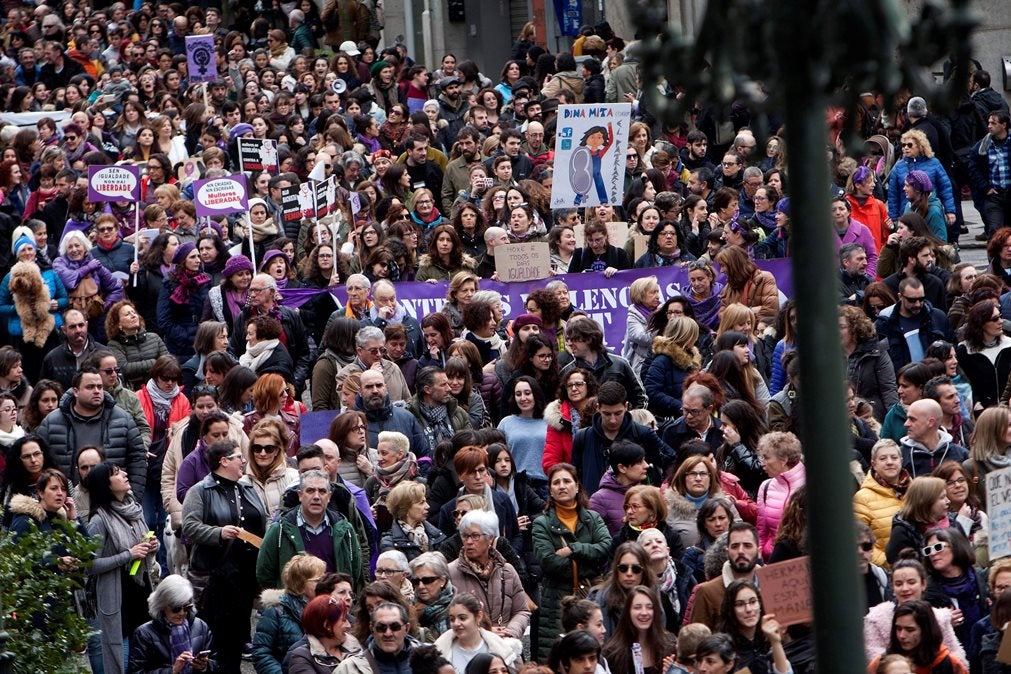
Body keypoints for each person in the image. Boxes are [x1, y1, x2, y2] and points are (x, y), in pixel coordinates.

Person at [181, 440, 268, 672]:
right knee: (215, 638)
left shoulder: (247, 488)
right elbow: (188, 527)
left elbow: (263, 522)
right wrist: (218, 533)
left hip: (246, 577)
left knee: (238, 637)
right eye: (239, 457)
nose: (244, 461)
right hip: (214, 579)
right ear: (224, 461)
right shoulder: (199, 491)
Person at [531, 462, 612, 662]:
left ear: (577, 486)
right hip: (556, 597)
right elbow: (549, 562)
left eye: (567, 481)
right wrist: (587, 561)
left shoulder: (592, 518)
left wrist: (573, 549)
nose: (562, 486)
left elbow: (605, 547)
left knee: (593, 653)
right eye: (556, 482)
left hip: (591, 593)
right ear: (550, 489)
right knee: (559, 657)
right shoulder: (542, 523)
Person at [84, 461, 158, 674]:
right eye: (117, 473)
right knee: (122, 662)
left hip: (141, 589)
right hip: (116, 596)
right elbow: (89, 565)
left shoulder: (134, 509)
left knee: (144, 658)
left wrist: (152, 545)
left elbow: (141, 541)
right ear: (105, 485)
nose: (125, 474)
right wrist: (128, 555)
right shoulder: (99, 520)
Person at [36, 366, 147, 496]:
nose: (96, 391)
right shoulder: (52, 422)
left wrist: (133, 496)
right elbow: (40, 463)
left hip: (113, 501)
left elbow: (137, 460)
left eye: (99, 387)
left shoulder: (123, 419)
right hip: (66, 502)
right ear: (75, 391)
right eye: (90, 387)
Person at [257, 468, 366, 591]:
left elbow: (355, 570)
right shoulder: (280, 529)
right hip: (294, 606)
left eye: (322, 491)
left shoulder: (345, 529)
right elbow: (264, 573)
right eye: (310, 490)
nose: (316, 496)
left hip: (333, 604)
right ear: (300, 495)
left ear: (329, 496)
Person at [571, 381, 674, 496]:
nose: (613, 420)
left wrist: (660, 489)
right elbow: (575, 475)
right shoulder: (583, 437)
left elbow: (671, 459)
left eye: (618, 413)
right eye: (607, 414)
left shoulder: (643, 434)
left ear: (626, 406)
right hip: (594, 506)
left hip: (638, 505)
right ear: (598, 408)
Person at [864, 558, 966, 665]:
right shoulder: (876, 618)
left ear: (923, 584)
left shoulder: (939, 617)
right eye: (898, 584)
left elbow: (955, 653)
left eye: (911, 582)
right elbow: (872, 654)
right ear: (892, 588)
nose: (905, 588)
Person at [230, 273, 311, 396]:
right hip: (254, 389)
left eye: (258, 291)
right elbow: (233, 352)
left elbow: (303, 354)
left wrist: (294, 383)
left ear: (272, 292)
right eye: (251, 290)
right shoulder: (244, 317)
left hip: (287, 388)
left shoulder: (290, 316)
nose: (252, 295)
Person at [251, 553, 327, 674]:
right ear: (300, 583)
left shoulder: (327, 608)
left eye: (324, 578)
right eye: (318, 580)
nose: (324, 583)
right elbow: (261, 653)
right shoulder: (276, 610)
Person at [127, 574, 216, 673]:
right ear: (162, 606)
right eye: (176, 609)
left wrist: (204, 666)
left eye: (187, 607)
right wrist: (172, 671)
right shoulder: (144, 634)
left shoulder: (201, 626)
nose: (182, 613)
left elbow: (216, 664)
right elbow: (135, 671)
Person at [685, 522, 761, 630]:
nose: (740, 551)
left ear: (759, 552)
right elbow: (697, 641)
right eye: (735, 546)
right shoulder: (707, 593)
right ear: (727, 552)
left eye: (747, 546)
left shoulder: (771, 588)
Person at [562, 316, 648, 409]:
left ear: (589, 339)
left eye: (574, 339)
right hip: (584, 423)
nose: (569, 344)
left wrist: (632, 420)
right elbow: (562, 405)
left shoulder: (620, 364)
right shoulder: (568, 371)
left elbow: (640, 397)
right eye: (568, 339)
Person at [867, 600, 968, 674]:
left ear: (925, 631)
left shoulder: (949, 665)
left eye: (910, 630)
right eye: (898, 629)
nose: (902, 636)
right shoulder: (880, 663)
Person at [854, 439, 911, 568]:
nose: (889, 462)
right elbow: (861, 543)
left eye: (894, 457)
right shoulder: (862, 498)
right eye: (883, 458)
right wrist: (890, 564)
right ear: (873, 464)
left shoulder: (915, 491)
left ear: (901, 461)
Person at [717, 580, 794, 674]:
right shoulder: (723, 646)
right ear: (731, 609)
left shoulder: (771, 637)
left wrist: (775, 642)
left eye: (753, 602)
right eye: (740, 604)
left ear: (760, 604)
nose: (748, 609)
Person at [886, 476, 961, 566]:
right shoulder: (903, 532)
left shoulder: (954, 522)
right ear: (926, 502)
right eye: (942, 497)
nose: (948, 501)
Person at [602, 585, 676, 674]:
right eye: (637, 607)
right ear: (628, 612)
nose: (644, 613)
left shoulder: (670, 646)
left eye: (649, 607)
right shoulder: (612, 653)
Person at [755, 431, 806, 559]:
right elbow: (761, 531)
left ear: (783, 460)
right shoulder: (765, 487)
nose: (762, 463)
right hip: (772, 560)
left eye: (766, 458)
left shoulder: (810, 485)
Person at [356, 369, 430, 456]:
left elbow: (424, 456)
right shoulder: (351, 423)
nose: (375, 390)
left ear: (386, 388)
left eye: (379, 385)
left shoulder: (406, 418)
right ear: (360, 391)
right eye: (369, 387)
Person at [334, 602, 420, 674]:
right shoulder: (348, 669)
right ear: (372, 630)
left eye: (395, 627)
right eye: (381, 627)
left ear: (407, 628)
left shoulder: (429, 660)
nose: (388, 633)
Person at [285, 594, 363, 673]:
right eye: (343, 620)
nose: (349, 625)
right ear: (327, 625)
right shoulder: (302, 657)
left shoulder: (357, 648)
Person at [645, 316, 702, 420]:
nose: (696, 339)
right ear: (685, 336)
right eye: (694, 335)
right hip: (668, 419)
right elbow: (651, 391)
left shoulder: (692, 360)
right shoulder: (662, 361)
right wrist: (679, 406)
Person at [544, 368, 599, 471]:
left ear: (588, 386)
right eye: (569, 385)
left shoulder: (600, 412)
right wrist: (566, 479)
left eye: (579, 384)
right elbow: (551, 459)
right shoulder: (558, 418)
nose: (574, 389)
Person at [378, 480, 448, 562]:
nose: (428, 506)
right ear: (405, 508)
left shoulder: (435, 534)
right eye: (421, 503)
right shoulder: (389, 542)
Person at [968, 111, 1011, 239]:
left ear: (1003, 125)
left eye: (993, 123)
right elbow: (973, 168)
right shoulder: (983, 146)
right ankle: (995, 258)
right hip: (994, 196)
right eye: (989, 123)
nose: (989, 126)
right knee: (995, 231)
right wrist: (986, 188)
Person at [408, 366, 473, 450]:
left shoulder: (458, 413)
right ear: (427, 390)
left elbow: (470, 447)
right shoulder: (410, 416)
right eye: (443, 385)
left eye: (447, 384)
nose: (449, 389)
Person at [900, 399, 969, 477]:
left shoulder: (960, 455)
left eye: (912, 419)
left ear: (931, 422)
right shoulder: (900, 456)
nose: (906, 424)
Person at [39, 308, 104, 390]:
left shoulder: (103, 353)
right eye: (72, 327)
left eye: (81, 325)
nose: (78, 330)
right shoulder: (52, 358)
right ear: (64, 330)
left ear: (87, 325)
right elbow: (43, 391)